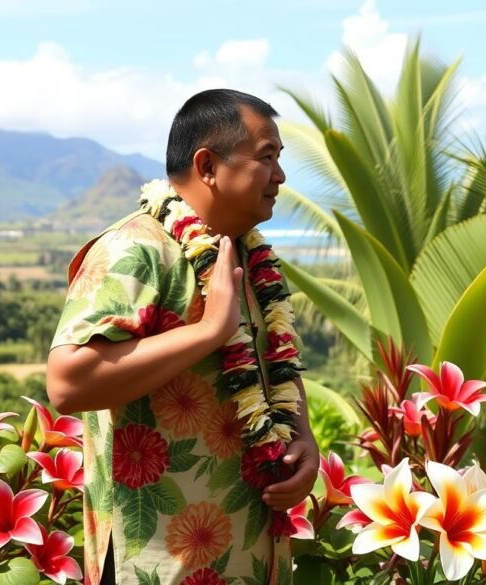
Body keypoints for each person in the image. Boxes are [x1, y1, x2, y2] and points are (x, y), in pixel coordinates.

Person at [47, 89, 318, 584]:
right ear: (208, 165)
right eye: (266, 158)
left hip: (249, 555)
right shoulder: (136, 249)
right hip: (154, 565)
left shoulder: (246, 255)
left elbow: (271, 363)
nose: (280, 177)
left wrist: (304, 439)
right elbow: (68, 384)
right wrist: (210, 331)